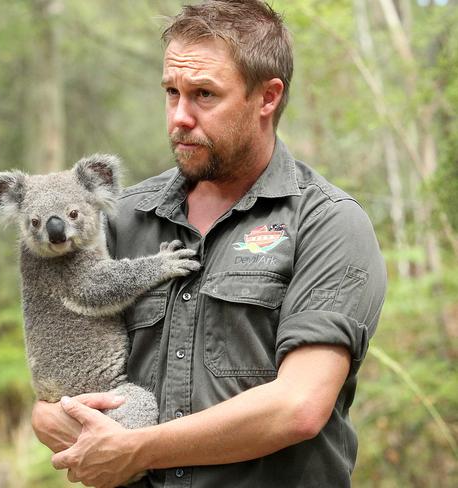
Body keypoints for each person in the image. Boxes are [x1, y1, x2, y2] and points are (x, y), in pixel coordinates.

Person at [31, 1, 387, 486]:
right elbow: (52, 394)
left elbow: (298, 407)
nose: (180, 116)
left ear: (267, 98)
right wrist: (55, 418)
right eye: (171, 92)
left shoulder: (327, 223)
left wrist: (134, 448)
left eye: (204, 95)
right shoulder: (118, 218)